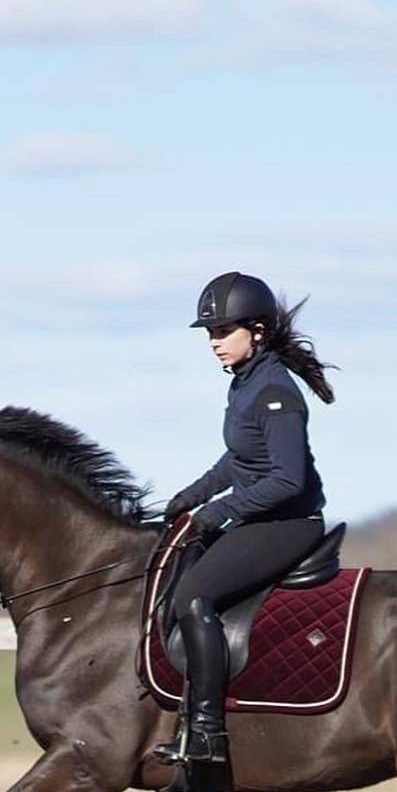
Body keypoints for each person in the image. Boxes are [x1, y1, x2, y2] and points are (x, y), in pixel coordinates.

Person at [152, 271, 335, 767]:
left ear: (256, 330)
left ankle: (208, 732)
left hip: (289, 524)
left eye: (223, 332)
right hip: (260, 518)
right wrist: (188, 497)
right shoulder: (246, 384)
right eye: (210, 334)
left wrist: (219, 511)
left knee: (195, 596)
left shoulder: (276, 393)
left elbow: (286, 481)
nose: (214, 343)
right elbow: (239, 461)